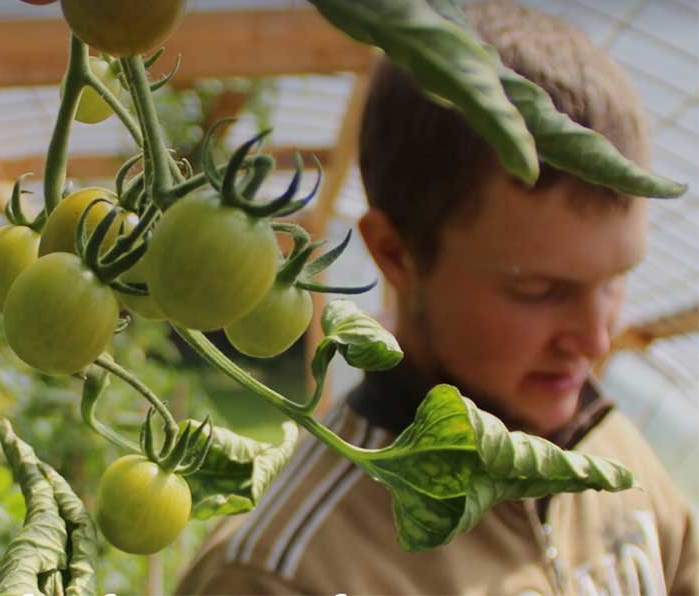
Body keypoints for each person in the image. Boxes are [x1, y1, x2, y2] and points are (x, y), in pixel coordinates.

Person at [176, 1, 698, 594]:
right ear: (396, 255)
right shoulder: (290, 574)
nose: (597, 339)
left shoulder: (612, 451)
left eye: (614, 280)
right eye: (538, 289)